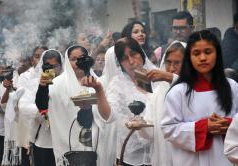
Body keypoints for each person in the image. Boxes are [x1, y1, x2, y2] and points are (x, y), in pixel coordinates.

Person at [161, 30, 238, 166]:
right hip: (191, 160)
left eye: (208, 52)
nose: (202, 58)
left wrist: (230, 125)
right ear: (189, 58)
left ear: (217, 54)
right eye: (196, 53)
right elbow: (168, 129)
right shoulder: (178, 92)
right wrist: (203, 127)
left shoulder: (232, 87)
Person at [83, 38, 155, 166]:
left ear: (141, 54)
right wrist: (99, 90)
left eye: (133, 54)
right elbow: (109, 116)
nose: (132, 62)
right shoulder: (118, 84)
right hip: (131, 156)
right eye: (125, 58)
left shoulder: (158, 78)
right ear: (120, 63)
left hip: (158, 152)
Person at [35, 45, 106, 166]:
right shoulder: (57, 83)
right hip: (65, 140)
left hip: (93, 142)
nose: (78, 62)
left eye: (82, 58)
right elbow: (42, 105)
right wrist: (42, 87)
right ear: (67, 61)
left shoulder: (98, 82)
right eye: (73, 59)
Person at [142, 40, 186, 166]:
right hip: (163, 157)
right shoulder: (157, 94)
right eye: (168, 62)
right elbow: (150, 133)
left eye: (177, 63)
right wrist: (140, 125)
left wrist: (170, 77)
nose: (172, 68)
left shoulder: (194, 89)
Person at [18, 49, 63, 166]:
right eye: (48, 66)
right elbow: (23, 105)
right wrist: (43, 113)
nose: (52, 69)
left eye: (55, 66)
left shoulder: (66, 82)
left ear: (61, 65)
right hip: (42, 137)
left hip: (63, 137)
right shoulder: (34, 82)